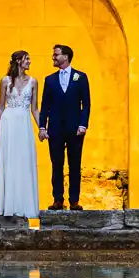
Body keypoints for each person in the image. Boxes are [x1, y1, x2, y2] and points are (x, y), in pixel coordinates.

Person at [38, 43, 90, 211]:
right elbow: (44, 105)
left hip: (75, 129)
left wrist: (83, 124)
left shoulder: (81, 77)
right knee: (56, 165)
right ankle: (58, 199)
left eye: (56, 54)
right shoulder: (50, 79)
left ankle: (74, 200)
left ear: (65, 56)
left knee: (75, 164)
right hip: (55, 129)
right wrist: (42, 127)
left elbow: (86, 104)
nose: (53, 57)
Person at [0, 49, 41, 219]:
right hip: (8, 122)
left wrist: (42, 127)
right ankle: (7, 206)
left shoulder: (33, 82)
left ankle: (25, 207)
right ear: (19, 61)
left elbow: (34, 108)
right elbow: (0, 106)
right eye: (27, 59)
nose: (29, 62)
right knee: (9, 161)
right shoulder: (5, 81)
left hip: (24, 124)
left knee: (24, 161)